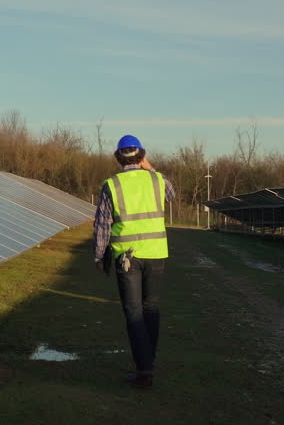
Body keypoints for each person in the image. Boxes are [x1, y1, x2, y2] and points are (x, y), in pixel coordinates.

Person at [94, 134, 176, 389]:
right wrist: (150, 167)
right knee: (151, 307)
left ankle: (144, 371)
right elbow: (172, 196)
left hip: (126, 257)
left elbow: (102, 225)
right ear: (142, 156)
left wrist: (98, 255)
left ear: (118, 157)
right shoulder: (157, 179)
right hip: (156, 252)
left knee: (133, 312)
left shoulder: (111, 185)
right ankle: (148, 361)